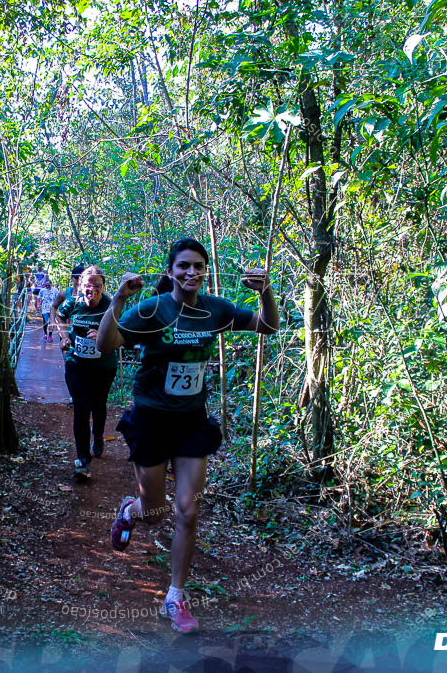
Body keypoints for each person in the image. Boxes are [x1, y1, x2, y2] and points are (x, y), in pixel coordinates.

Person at [96, 238, 279, 634]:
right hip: (151, 420)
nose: (191, 273)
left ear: (205, 270)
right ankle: (130, 510)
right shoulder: (153, 309)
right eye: (183, 266)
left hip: (192, 422)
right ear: (171, 271)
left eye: (198, 266)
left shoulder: (215, 309)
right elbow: (104, 344)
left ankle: (175, 597)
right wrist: (117, 302)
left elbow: (267, 326)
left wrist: (265, 293)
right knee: (155, 515)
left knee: (188, 511)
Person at [56, 265, 118, 481]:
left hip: (103, 366)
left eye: (97, 286)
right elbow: (60, 317)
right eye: (88, 285)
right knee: (81, 408)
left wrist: (102, 333)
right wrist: (64, 337)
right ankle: (82, 461)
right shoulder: (72, 303)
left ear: (103, 287)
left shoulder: (110, 305)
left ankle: (98, 435)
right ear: (80, 285)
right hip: (76, 363)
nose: (92, 290)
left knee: (98, 405)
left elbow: (123, 328)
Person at [51, 264, 86, 406]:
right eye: (77, 277)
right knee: (69, 364)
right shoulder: (65, 293)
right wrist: (52, 321)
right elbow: (54, 307)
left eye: (82, 277)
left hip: (82, 335)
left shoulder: (89, 293)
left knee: (83, 365)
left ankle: (82, 394)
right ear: (72, 278)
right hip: (66, 334)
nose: (79, 280)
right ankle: (73, 396)